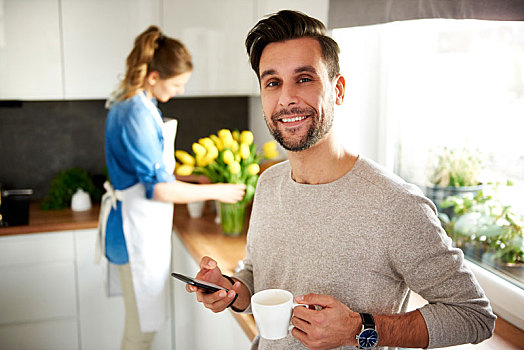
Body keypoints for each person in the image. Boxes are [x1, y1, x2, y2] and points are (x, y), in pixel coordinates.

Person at [186, 10, 496, 350]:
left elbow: (473, 316)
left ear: (339, 90)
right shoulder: (269, 182)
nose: (286, 98)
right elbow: (260, 277)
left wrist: (359, 328)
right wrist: (231, 290)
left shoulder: (394, 204)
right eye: (272, 82)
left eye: (304, 79)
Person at [97, 25, 246, 349]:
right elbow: (159, 189)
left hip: (136, 224)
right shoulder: (135, 111)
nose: (179, 91)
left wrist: (193, 180)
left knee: (141, 325)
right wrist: (217, 190)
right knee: (140, 331)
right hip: (133, 230)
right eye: (176, 83)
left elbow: (148, 172)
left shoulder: (137, 102)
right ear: (153, 76)